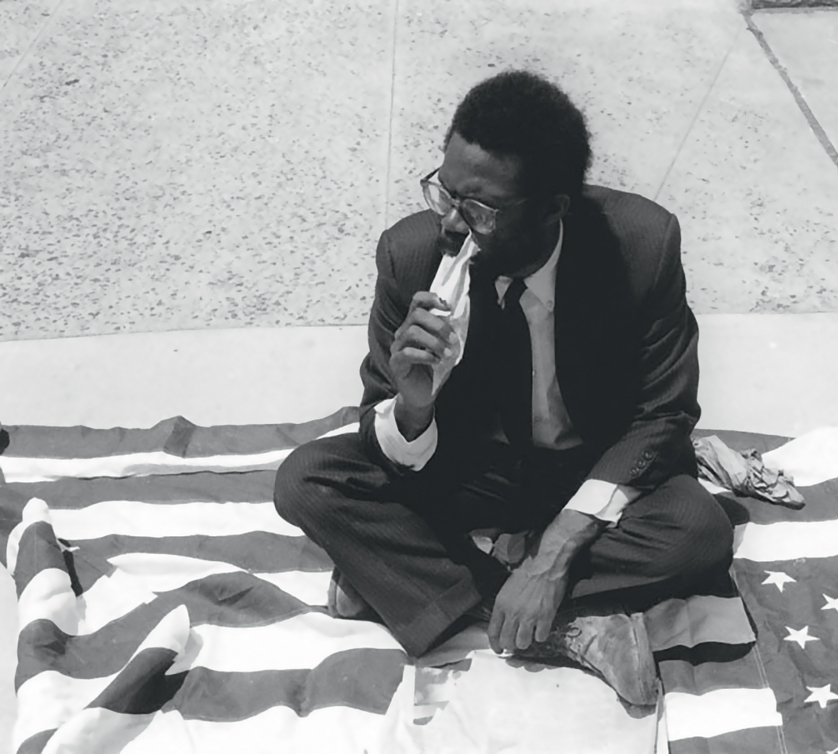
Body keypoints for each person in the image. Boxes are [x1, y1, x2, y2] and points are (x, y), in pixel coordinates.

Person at [274, 70, 734, 707]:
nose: (452, 226)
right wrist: (413, 404)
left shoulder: (640, 248)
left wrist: (554, 552)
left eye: (481, 209)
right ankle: (566, 629)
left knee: (698, 531)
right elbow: (383, 435)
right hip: (470, 469)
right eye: (446, 192)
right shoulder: (410, 256)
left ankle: (410, 584)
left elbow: (664, 412)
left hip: (585, 471)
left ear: (553, 208)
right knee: (308, 480)